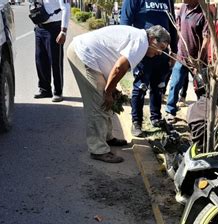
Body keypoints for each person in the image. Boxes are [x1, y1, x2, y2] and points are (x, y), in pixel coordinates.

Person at [67, 25, 170, 163]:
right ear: (152, 39)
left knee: (109, 99)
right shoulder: (141, 43)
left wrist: (112, 89)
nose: (160, 53)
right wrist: (109, 91)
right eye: (161, 48)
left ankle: (107, 137)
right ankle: (98, 150)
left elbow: (116, 66)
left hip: (91, 57)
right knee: (100, 102)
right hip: (83, 54)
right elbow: (119, 68)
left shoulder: (141, 39)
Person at [120, 0, 178, 137]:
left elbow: (172, 24)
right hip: (142, 52)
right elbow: (125, 24)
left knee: (158, 87)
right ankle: (136, 122)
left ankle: (156, 117)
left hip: (162, 53)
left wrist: (174, 51)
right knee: (140, 87)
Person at [165, 0, 209, 124]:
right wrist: (174, 50)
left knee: (201, 89)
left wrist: (199, 60)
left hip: (197, 61)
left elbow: (206, 39)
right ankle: (170, 112)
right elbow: (178, 29)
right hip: (182, 57)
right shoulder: (184, 8)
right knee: (175, 84)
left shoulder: (204, 12)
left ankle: (202, 115)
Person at [33, 0, 70, 102]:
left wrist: (63, 31)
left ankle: (58, 92)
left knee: (55, 61)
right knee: (40, 60)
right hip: (40, 28)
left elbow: (66, 9)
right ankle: (45, 90)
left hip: (54, 28)